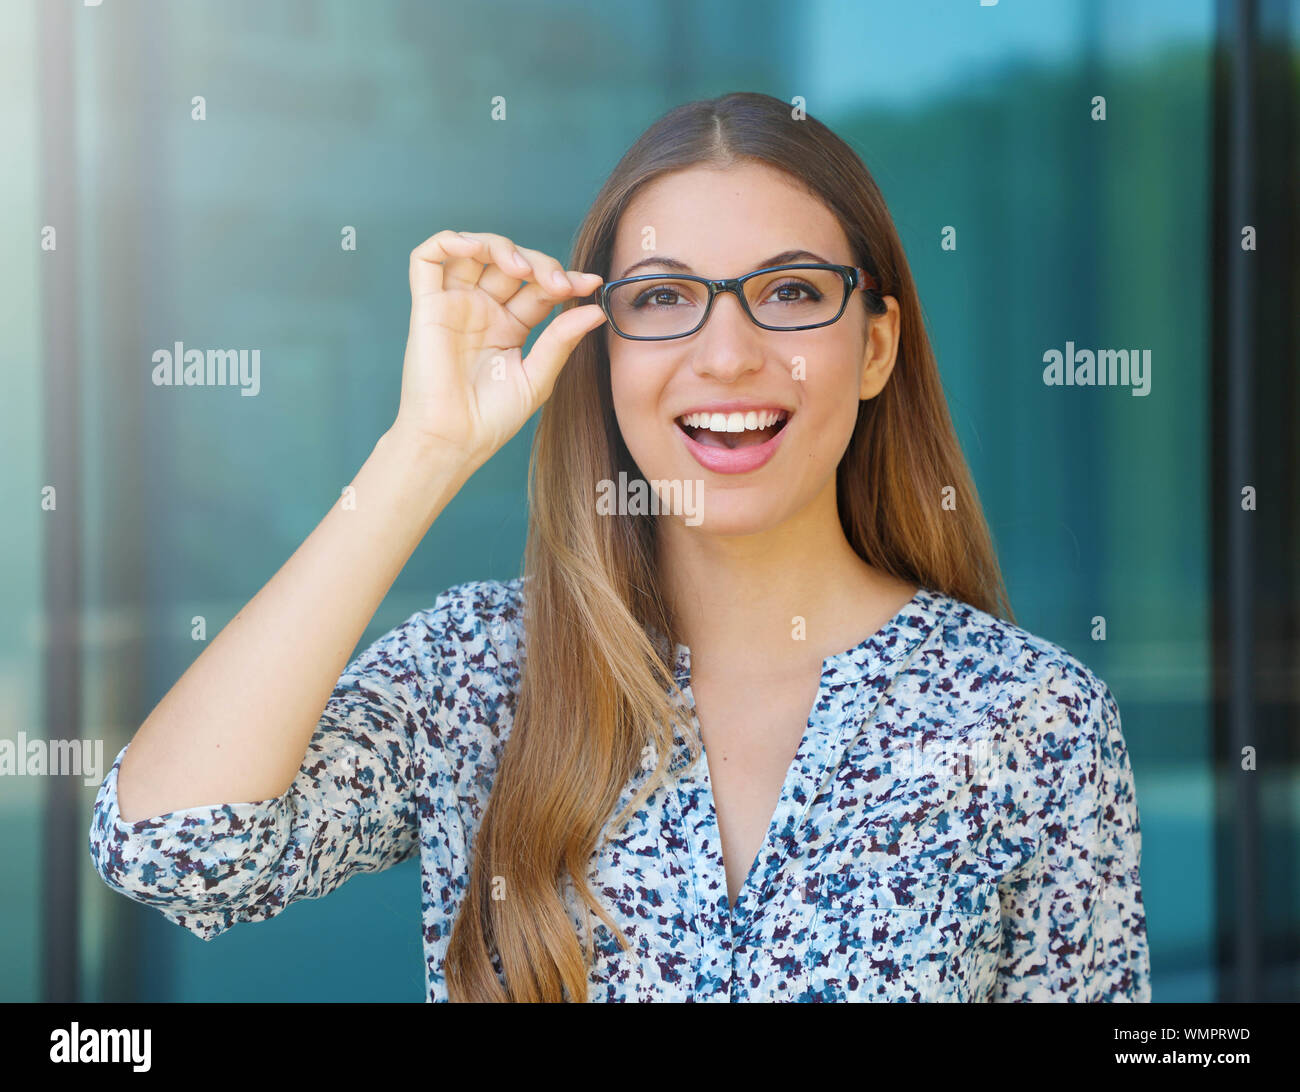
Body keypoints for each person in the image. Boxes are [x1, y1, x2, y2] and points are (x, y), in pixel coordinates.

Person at [89, 91, 1151, 1003]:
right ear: (599, 357)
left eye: (789, 292)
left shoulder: (1028, 718)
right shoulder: (478, 672)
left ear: (872, 345)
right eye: (663, 299)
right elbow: (175, 851)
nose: (726, 355)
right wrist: (423, 451)